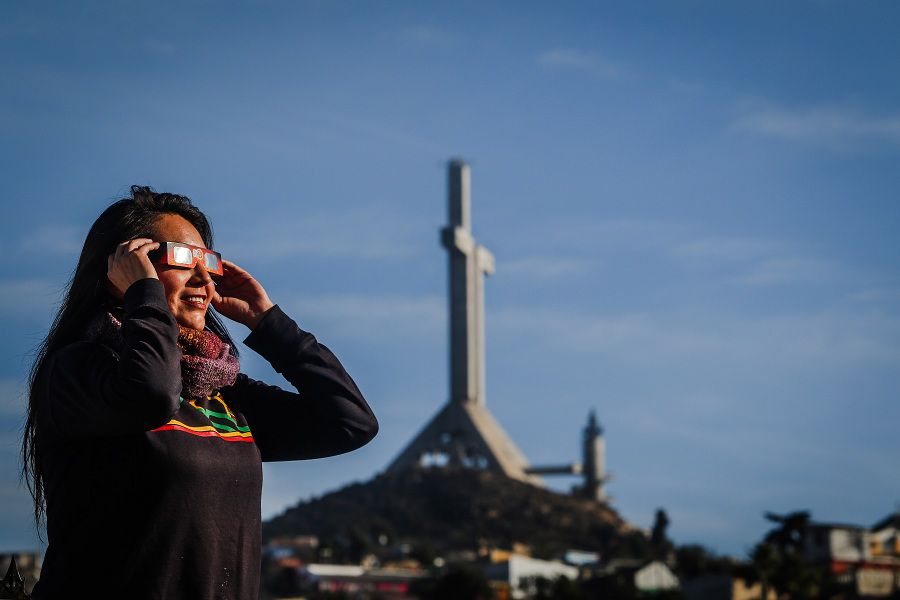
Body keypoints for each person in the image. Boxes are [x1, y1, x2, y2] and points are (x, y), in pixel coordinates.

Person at [21, 186, 378, 599]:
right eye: (181, 259)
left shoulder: (223, 392)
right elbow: (151, 395)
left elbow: (349, 423)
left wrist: (269, 323)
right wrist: (145, 297)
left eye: (209, 262)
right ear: (124, 267)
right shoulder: (78, 371)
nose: (204, 278)